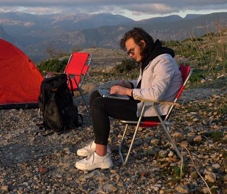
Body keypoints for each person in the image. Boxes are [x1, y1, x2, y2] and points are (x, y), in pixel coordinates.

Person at [75, 27, 183, 171]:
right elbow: (145, 84)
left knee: (100, 105)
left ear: (143, 44)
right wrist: (129, 84)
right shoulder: (151, 58)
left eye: (132, 50)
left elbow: (156, 94)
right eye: (128, 52)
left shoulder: (163, 62)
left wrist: (126, 91)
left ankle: (101, 156)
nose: (130, 55)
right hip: (143, 104)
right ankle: (99, 142)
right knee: (96, 95)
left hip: (151, 110)